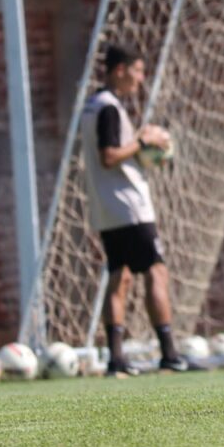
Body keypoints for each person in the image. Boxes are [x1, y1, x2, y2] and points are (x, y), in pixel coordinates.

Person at [80, 44, 188, 377]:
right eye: (138, 71)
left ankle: (117, 360)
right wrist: (144, 143)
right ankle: (169, 354)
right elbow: (109, 156)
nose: (141, 79)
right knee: (156, 271)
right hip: (130, 206)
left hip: (106, 206)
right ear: (119, 70)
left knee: (119, 275)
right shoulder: (109, 108)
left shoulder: (91, 105)